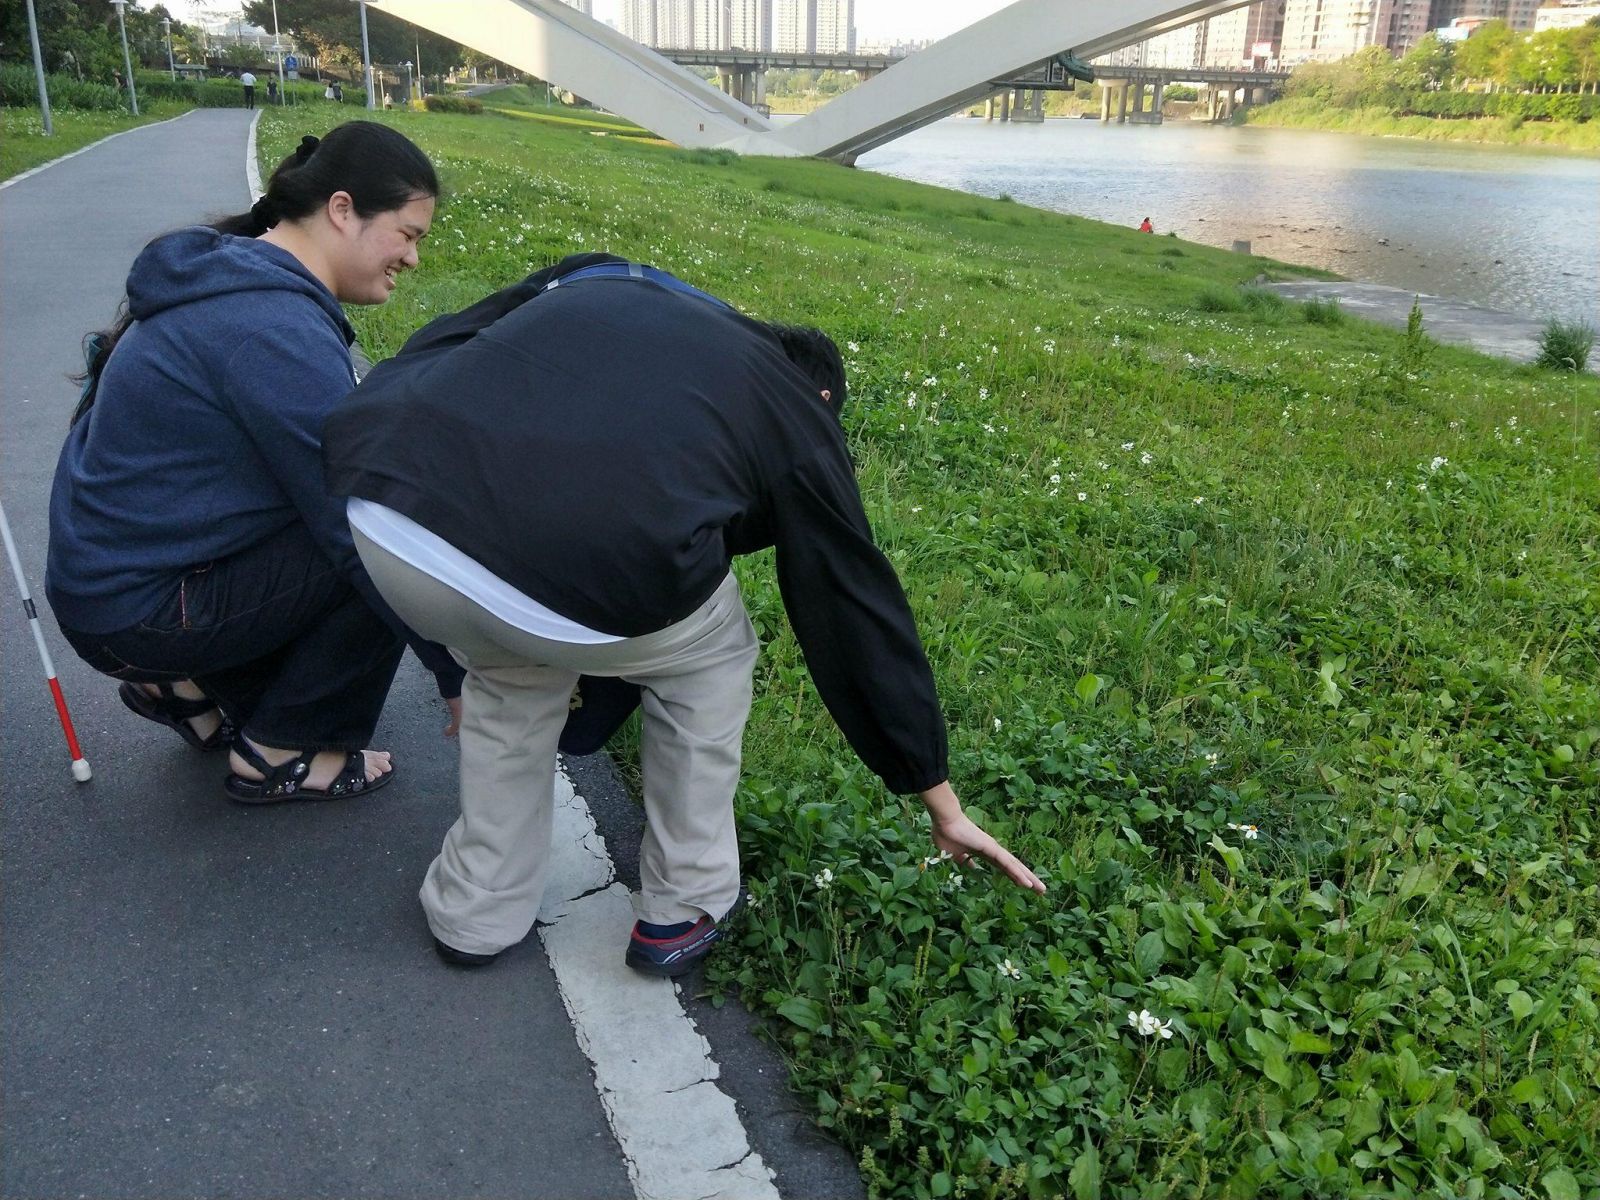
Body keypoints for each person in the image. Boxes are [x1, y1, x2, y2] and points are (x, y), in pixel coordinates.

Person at [323, 255, 1046, 978]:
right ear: (821, 393)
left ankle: (474, 912)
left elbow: (446, 342)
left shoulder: (606, 281)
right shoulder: (790, 403)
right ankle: (682, 903)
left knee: (513, 669)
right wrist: (937, 796)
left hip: (386, 520)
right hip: (540, 568)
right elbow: (852, 603)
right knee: (712, 655)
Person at [47, 122, 463, 804]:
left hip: (104, 590)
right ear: (340, 210)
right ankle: (284, 750)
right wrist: (456, 679)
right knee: (382, 532)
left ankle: (184, 688)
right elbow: (355, 520)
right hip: (138, 610)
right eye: (409, 234)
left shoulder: (226, 273)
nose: (413, 258)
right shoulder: (272, 328)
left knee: (347, 504)